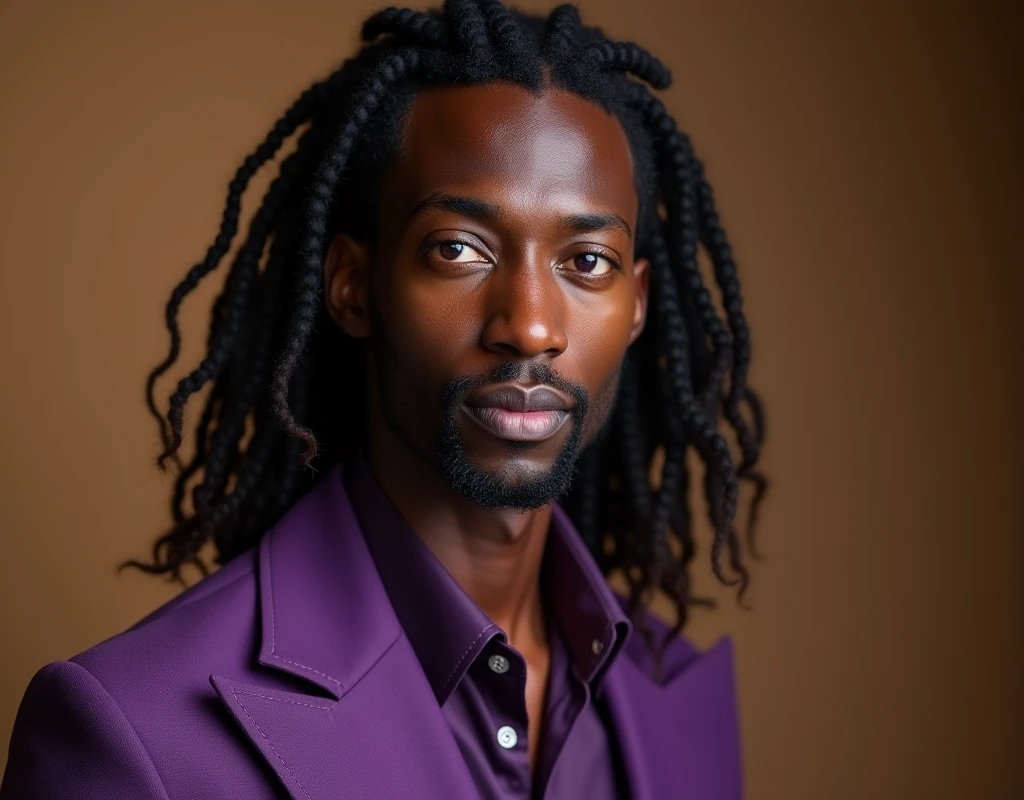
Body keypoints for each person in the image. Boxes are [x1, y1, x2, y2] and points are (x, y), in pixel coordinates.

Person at [1, 0, 767, 797]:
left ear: (637, 305)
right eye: (459, 249)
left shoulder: (675, 701)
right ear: (352, 286)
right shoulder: (139, 734)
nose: (531, 326)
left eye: (587, 261)